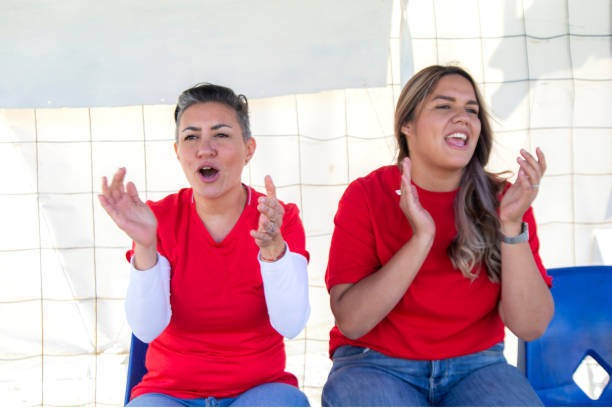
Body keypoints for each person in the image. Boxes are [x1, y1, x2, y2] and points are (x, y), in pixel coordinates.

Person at [321, 65, 554, 407]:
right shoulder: (366, 196)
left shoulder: (507, 200)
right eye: (444, 106)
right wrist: (421, 238)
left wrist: (511, 226)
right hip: (375, 364)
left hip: (478, 366)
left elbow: (530, 327)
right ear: (407, 125)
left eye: (471, 110)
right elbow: (352, 322)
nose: (463, 118)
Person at [98, 84, 311, 407]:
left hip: (260, 390)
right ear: (178, 152)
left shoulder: (280, 218)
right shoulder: (156, 219)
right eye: (191, 136)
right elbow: (147, 328)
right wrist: (145, 246)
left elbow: (291, 324)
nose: (205, 149)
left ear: (249, 148)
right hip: (167, 393)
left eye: (221, 135)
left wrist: (273, 251)